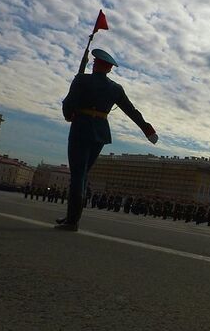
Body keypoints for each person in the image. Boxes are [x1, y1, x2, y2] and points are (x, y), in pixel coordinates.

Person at [55, 48, 158, 231]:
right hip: (100, 133)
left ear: (95, 65)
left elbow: (68, 102)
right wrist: (147, 129)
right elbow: (131, 111)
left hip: (81, 128)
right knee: (83, 175)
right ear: (109, 69)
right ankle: (72, 217)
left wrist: (68, 114)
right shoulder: (115, 88)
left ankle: (72, 221)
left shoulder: (81, 79)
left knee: (78, 175)